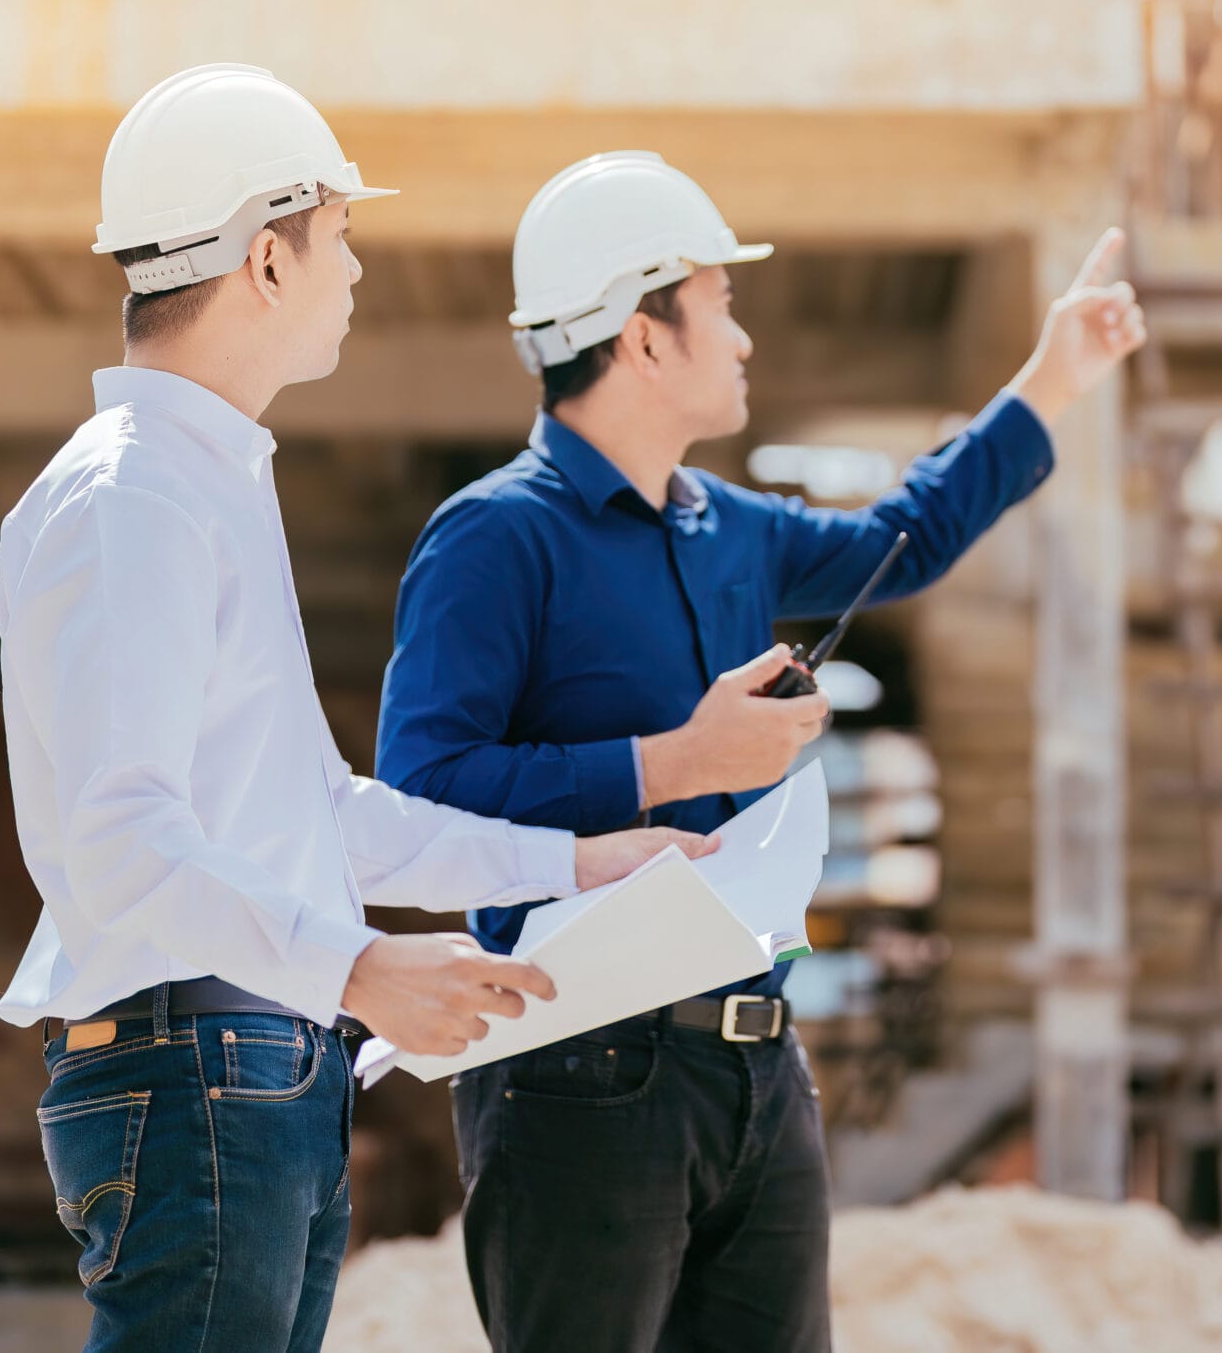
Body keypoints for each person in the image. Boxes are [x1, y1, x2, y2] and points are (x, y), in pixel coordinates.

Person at [375, 149, 1146, 1352]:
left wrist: (1053, 376)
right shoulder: (491, 541)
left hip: (753, 1070)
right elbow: (419, 798)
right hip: (577, 1073)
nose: (742, 339)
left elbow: (905, 535)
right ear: (642, 336)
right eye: (719, 305)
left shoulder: (725, 525)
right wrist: (668, 761)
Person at [0, 73, 707, 1353]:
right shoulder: (137, 498)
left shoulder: (200, 480)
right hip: (200, 1076)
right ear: (269, 257)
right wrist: (365, 968)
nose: (359, 268)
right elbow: (119, 839)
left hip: (248, 1071)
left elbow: (322, 814)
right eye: (342, 234)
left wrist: (581, 861)